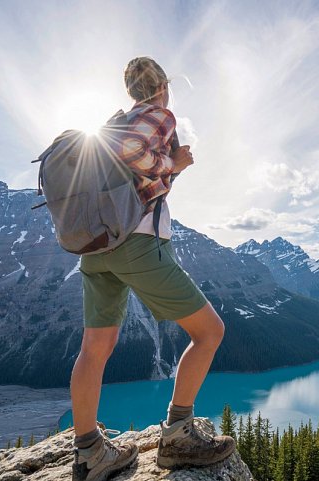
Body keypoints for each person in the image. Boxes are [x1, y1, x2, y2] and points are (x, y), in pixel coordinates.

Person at [69, 57, 236, 481]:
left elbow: (122, 156)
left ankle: (88, 453)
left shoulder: (114, 122)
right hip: (138, 244)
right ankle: (178, 435)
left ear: (129, 89)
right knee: (209, 331)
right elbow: (134, 153)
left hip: (97, 246)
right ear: (161, 87)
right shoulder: (158, 114)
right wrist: (172, 166)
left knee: (94, 348)